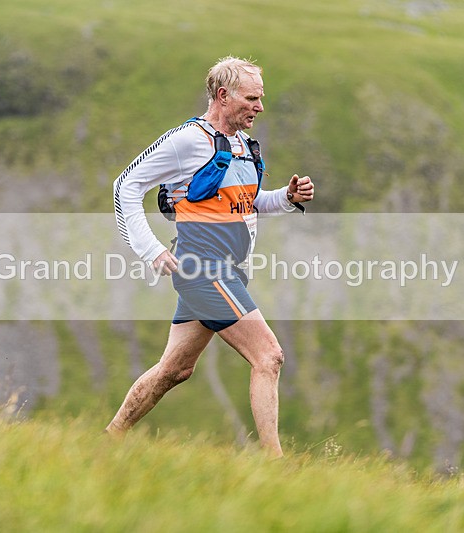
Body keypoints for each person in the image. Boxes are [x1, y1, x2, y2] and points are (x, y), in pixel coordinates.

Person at [108, 56, 314, 458]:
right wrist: (150, 249)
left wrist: (286, 199)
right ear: (223, 95)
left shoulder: (241, 145)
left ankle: (108, 439)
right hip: (205, 269)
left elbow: (248, 204)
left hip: (228, 270)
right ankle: (276, 465)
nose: (260, 107)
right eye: (252, 98)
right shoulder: (188, 140)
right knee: (269, 356)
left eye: (261, 98)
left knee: (175, 370)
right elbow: (125, 186)